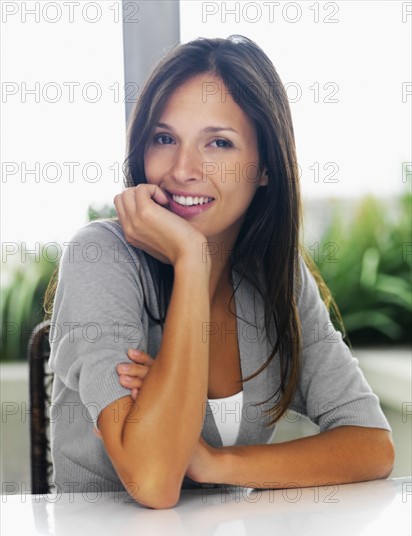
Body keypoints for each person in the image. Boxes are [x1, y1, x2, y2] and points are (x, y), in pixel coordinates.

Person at [45, 35, 394, 509]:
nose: (183, 169)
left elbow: (371, 445)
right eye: (164, 138)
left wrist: (216, 463)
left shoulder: (274, 274)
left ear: (265, 168)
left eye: (219, 143)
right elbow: (154, 480)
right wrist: (192, 260)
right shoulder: (102, 259)